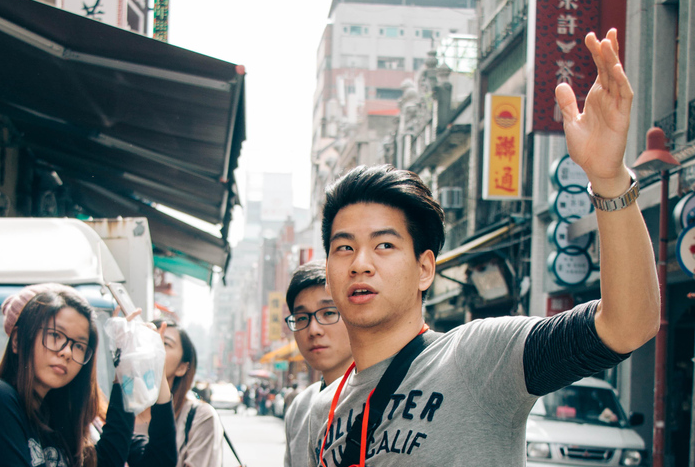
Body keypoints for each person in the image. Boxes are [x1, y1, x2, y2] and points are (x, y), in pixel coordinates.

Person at [307, 29, 660, 466]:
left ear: (425, 268)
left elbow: (628, 326)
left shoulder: (478, 357)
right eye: (344, 248)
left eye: (384, 245)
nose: (360, 264)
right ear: (328, 270)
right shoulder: (319, 416)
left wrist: (608, 180)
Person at [0, 284, 141, 467]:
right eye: (55, 335)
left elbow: (108, 461)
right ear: (17, 339)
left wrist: (126, 368)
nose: (66, 352)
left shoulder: (56, 416)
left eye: (78, 346)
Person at [283, 260, 353, 467]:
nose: (314, 330)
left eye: (329, 313)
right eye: (302, 318)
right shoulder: (300, 406)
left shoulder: (394, 395)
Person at [138, 320, 222, 467]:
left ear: (182, 368)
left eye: (165, 343)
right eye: (148, 339)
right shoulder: (116, 409)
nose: (153, 347)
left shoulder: (200, 417)